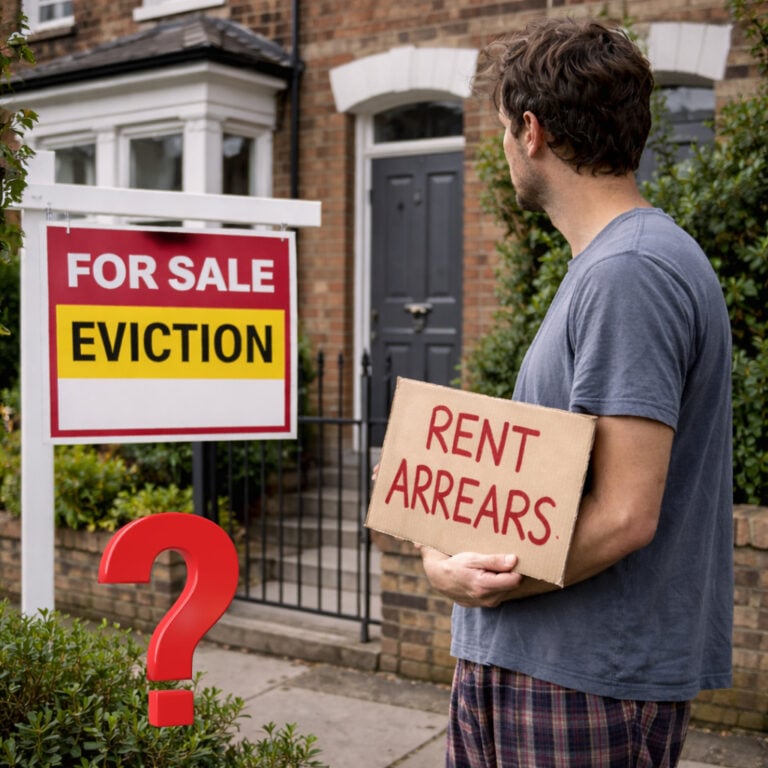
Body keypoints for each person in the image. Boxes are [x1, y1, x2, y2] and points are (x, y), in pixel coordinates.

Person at [413, 17, 733, 768]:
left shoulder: (632, 272)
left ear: (531, 132)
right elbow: (539, 484)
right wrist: (441, 553)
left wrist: (485, 585)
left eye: (503, 129)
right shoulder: (608, 265)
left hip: (582, 679)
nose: (504, 145)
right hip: (540, 664)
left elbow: (624, 515)